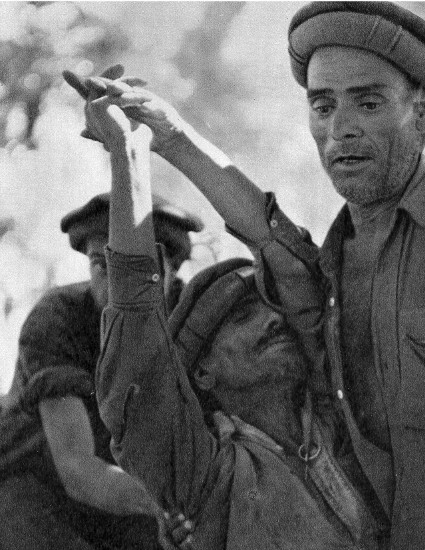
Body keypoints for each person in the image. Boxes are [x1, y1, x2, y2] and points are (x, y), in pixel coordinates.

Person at [66, 2, 425, 547]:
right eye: (322, 106)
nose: (341, 129)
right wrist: (154, 143)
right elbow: (267, 237)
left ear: (423, 112)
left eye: (368, 102)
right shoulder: (332, 280)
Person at [74, 69, 393, 550]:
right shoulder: (202, 473)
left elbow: (284, 253)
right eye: (241, 317)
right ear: (202, 372)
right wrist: (127, 156)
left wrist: (175, 138)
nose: (273, 319)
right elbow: (137, 338)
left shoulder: (343, 414)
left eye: (268, 308)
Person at [0, 191, 201, 549]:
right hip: (30, 491)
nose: (116, 286)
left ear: (171, 270)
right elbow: (77, 469)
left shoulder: (196, 322)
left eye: (137, 268)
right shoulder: (57, 319)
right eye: (100, 264)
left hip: (126, 502)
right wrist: (169, 508)